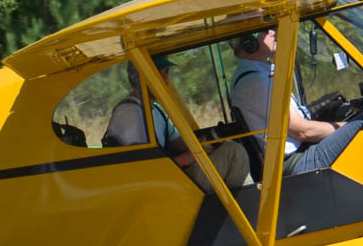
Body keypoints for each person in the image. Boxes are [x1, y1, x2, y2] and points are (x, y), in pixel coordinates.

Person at [229, 29, 363, 176]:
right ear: (248, 43)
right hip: (297, 162)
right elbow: (302, 131)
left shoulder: (255, 74)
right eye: (265, 30)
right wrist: (346, 126)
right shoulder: (257, 82)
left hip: (297, 154)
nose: (273, 32)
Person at [102, 57, 251, 191]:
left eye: (166, 72)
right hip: (160, 188)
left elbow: (181, 144)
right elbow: (143, 171)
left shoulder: (155, 110)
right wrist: (187, 158)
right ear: (144, 77)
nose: (166, 80)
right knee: (234, 153)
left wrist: (207, 145)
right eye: (162, 73)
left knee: (229, 147)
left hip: (172, 179)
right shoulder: (130, 114)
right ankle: (229, 213)